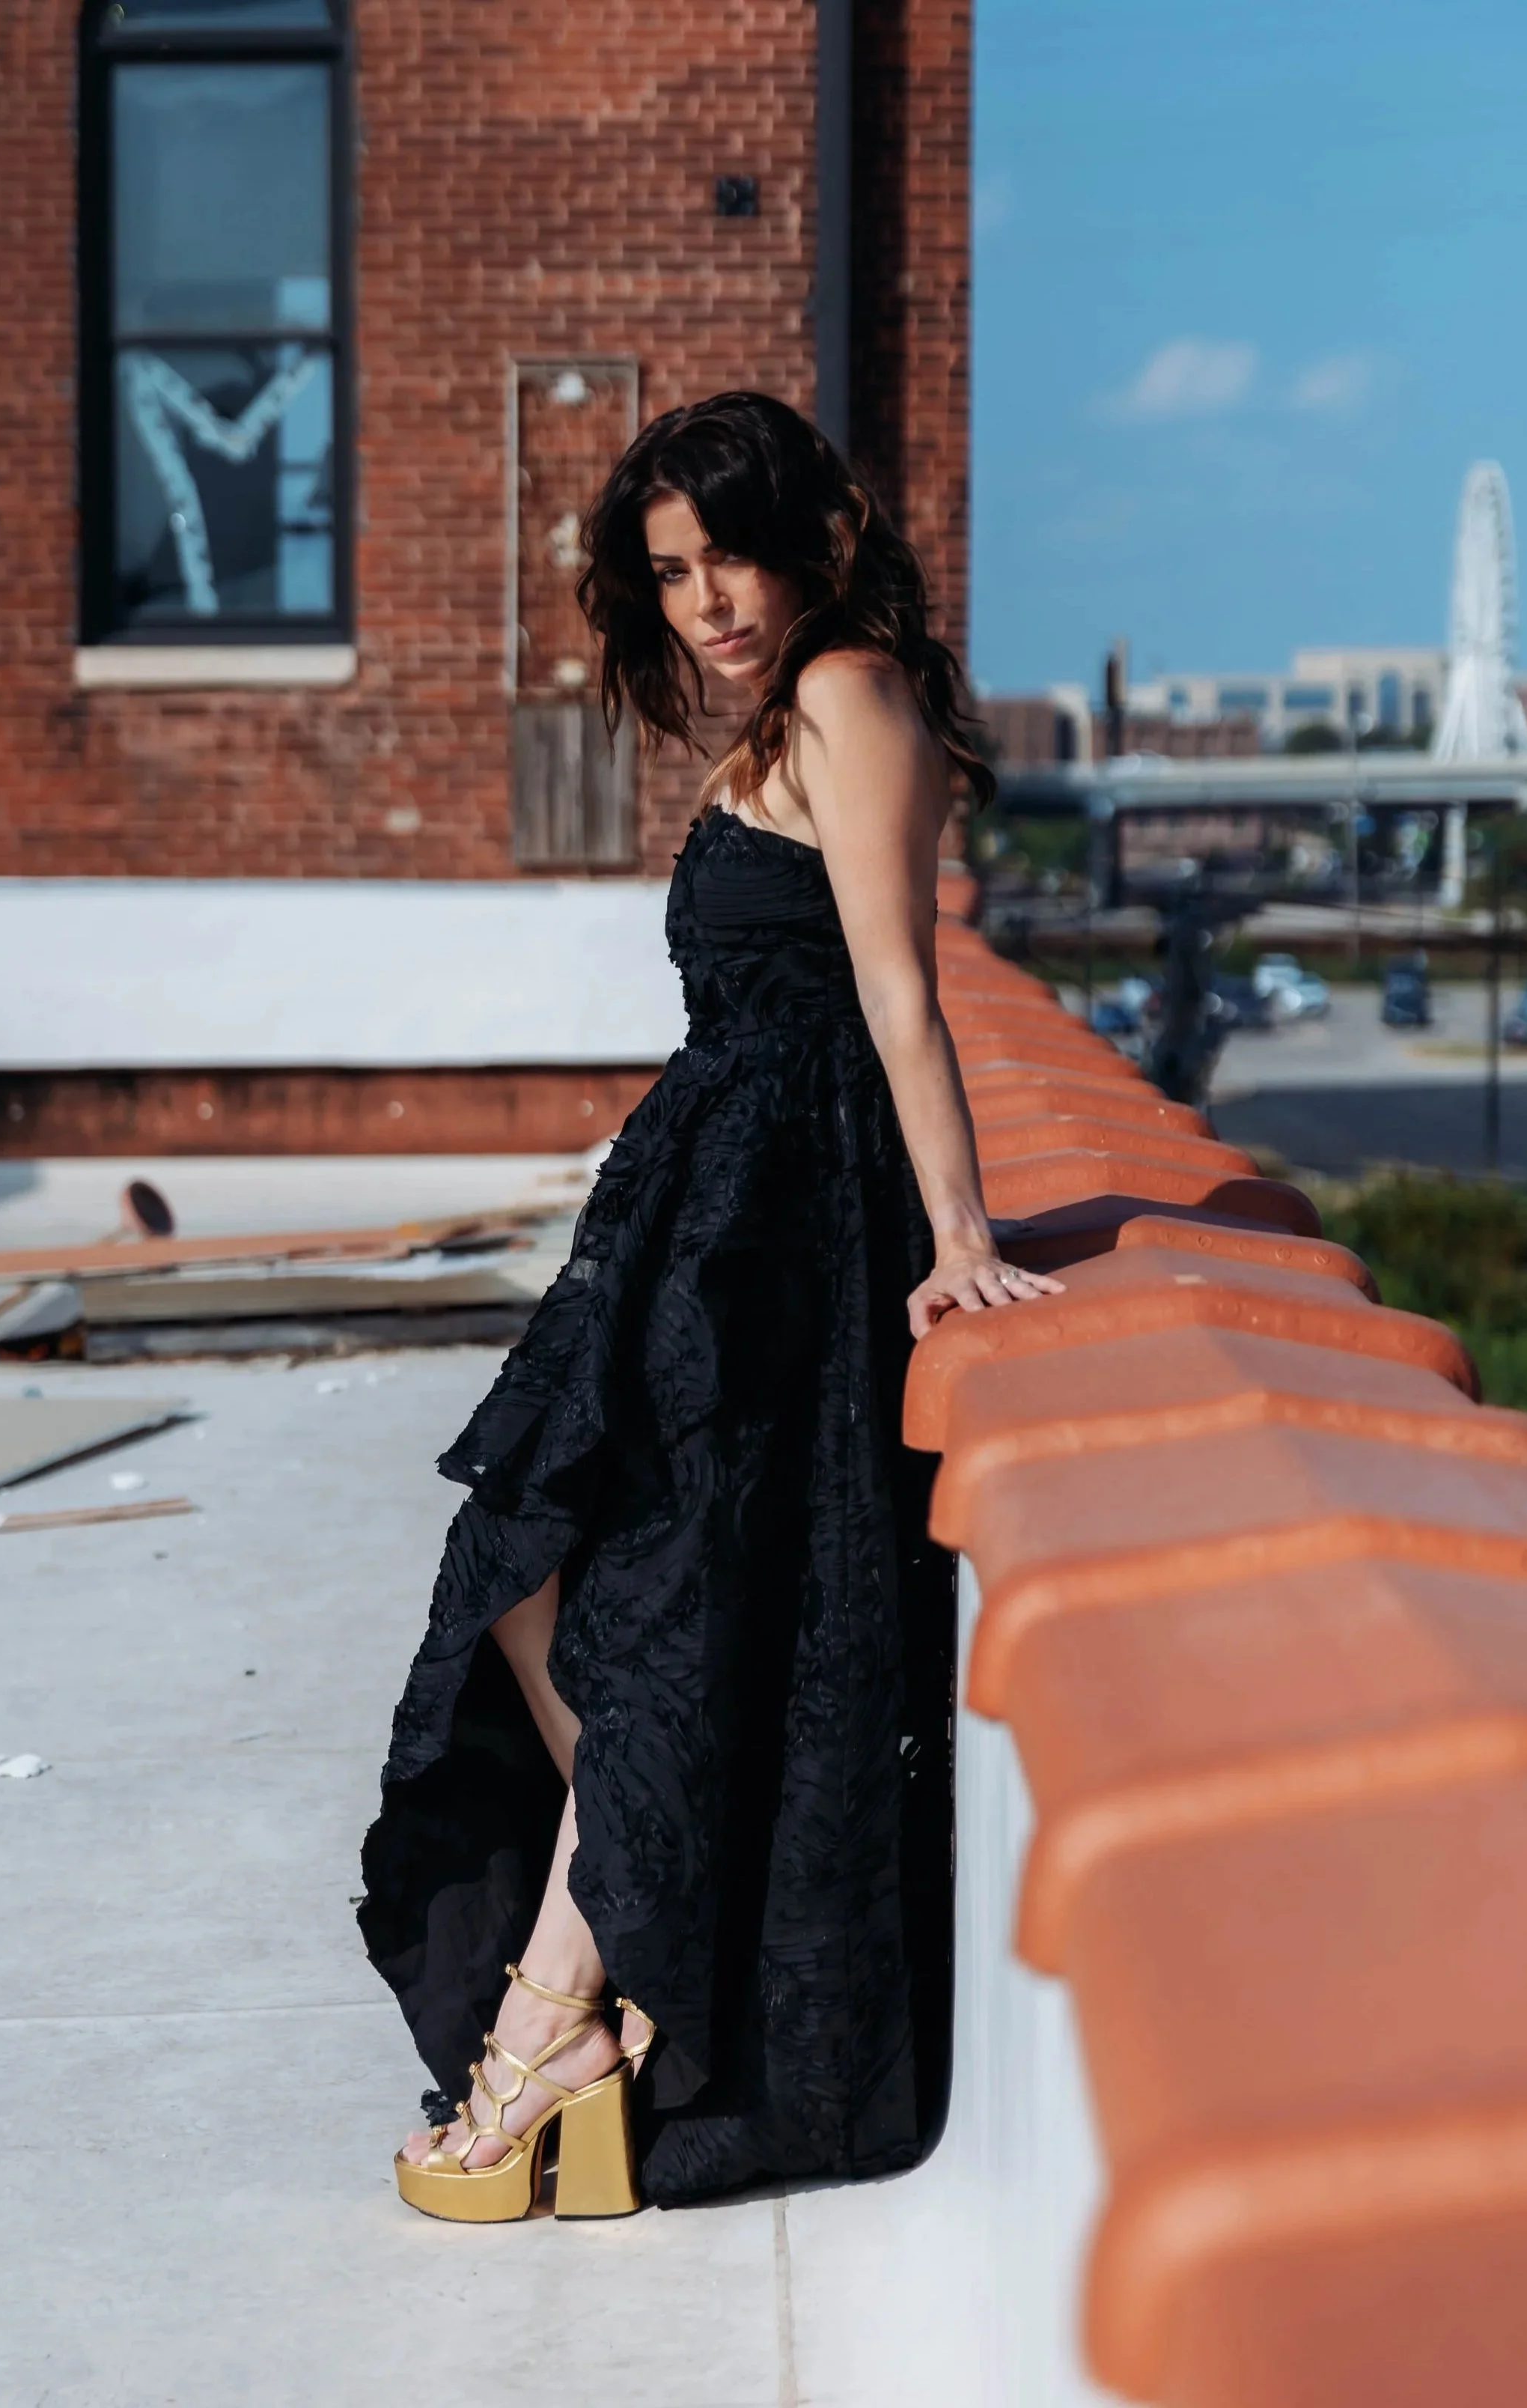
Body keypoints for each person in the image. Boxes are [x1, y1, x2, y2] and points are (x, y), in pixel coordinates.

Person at [358, 390, 1061, 2222]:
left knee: (648, 1606)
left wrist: (957, 1232)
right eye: (669, 573)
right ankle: (673, 1909)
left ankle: (550, 2023)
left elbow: (902, 994)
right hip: (698, 1211)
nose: (703, 601)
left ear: (810, 537)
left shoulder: (848, 695)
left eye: (726, 556)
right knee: (527, 1578)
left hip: (786, 1237)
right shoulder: (779, 715)